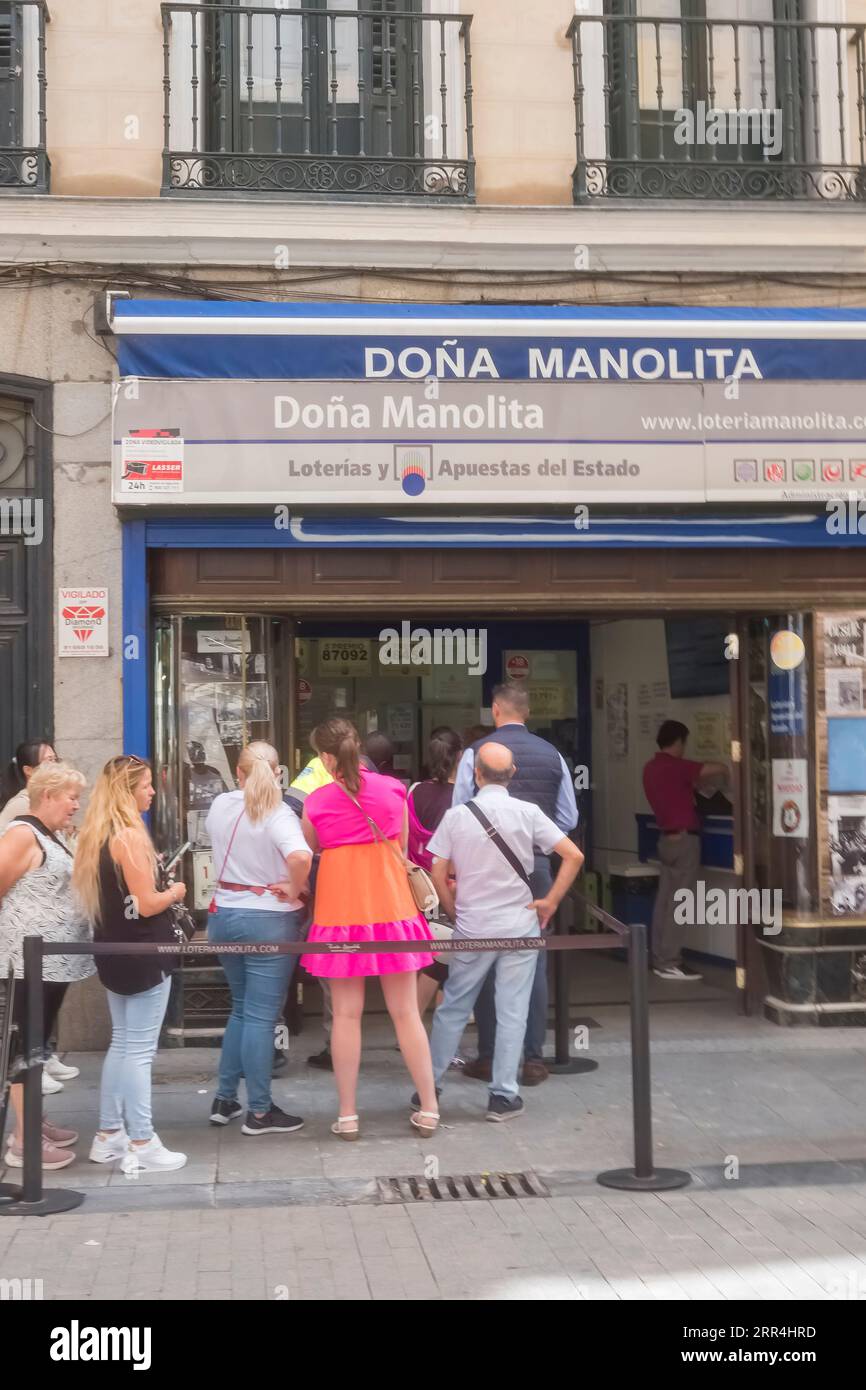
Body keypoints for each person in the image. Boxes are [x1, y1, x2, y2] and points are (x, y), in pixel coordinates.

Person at [427, 743, 583, 1120]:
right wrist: (550, 901)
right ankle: (502, 1096)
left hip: (473, 926)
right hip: (519, 927)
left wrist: (452, 909)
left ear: (476, 774)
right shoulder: (528, 812)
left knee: (454, 1008)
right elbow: (574, 855)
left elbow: (436, 872)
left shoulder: (456, 817)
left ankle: (428, 1087)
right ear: (512, 773)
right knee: (512, 1009)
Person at [300, 717, 438, 1140]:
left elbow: (312, 848)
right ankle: (429, 1108)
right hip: (391, 906)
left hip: (340, 914)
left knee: (345, 1014)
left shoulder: (317, 801)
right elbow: (400, 843)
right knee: (406, 1012)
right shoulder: (394, 790)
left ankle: (347, 1115)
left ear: (324, 757)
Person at [453, 681, 578, 1085]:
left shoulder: (475, 754)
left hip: (482, 870)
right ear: (527, 712)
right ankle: (533, 1058)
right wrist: (534, 836)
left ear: (495, 710)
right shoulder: (553, 754)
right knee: (533, 960)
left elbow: (459, 813)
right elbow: (568, 817)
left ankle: (490, 1056)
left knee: (487, 955)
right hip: (536, 870)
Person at [73, 755, 189, 1173]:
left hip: (114, 951)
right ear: (127, 791)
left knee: (122, 1044)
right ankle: (143, 1139)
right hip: (144, 953)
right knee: (139, 1051)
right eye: (145, 785)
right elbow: (145, 904)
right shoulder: (129, 836)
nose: (152, 792)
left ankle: (108, 1135)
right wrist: (175, 891)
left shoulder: (96, 836)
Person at [206, 741, 312, 1135]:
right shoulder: (279, 813)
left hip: (224, 914)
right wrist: (294, 887)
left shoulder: (220, 805)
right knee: (261, 1017)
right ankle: (261, 1112)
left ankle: (225, 1098)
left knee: (240, 1009)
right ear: (278, 771)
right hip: (268, 918)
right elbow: (300, 857)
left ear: (239, 771)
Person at [0, 761, 93, 1170]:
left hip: (51, 965)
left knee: (38, 1043)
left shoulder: (48, 835)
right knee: (25, 1046)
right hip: (23, 963)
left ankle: (34, 1122)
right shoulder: (21, 834)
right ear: (48, 796)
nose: (76, 804)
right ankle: (23, 1141)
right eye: (71, 797)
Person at [642, 720, 728, 981]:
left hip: (665, 840)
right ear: (679, 741)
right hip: (684, 841)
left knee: (664, 902)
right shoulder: (678, 767)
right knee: (680, 903)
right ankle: (670, 961)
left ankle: (658, 956)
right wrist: (730, 761)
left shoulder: (650, 768)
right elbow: (717, 768)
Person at [407, 727, 462, 1016]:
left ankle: (441, 1032)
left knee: (444, 959)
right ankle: (412, 1022)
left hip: (420, 887)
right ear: (461, 757)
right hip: (453, 887)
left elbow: (405, 839)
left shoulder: (415, 791)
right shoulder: (463, 800)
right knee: (442, 962)